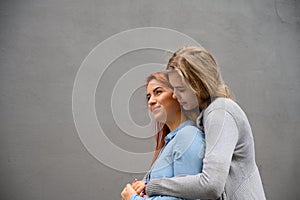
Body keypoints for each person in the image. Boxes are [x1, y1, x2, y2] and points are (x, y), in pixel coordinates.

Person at [144, 46, 266, 200]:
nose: (175, 95)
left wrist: (153, 186)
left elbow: (211, 185)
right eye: (174, 89)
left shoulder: (220, 112)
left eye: (181, 89)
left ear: (199, 84)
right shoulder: (207, 116)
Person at [121, 72, 205, 200]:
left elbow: (187, 198)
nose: (151, 101)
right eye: (148, 97)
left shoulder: (188, 136)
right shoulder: (172, 141)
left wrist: (133, 198)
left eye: (158, 92)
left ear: (177, 95)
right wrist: (145, 188)